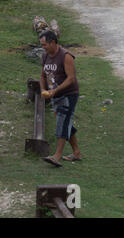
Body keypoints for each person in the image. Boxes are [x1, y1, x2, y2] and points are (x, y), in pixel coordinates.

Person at [39, 30, 82, 167]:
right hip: (55, 95)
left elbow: (71, 79)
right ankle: (76, 152)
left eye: (44, 44)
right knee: (65, 121)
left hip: (68, 94)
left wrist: (55, 90)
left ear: (53, 42)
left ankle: (57, 156)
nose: (43, 47)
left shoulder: (66, 56)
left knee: (62, 122)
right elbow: (42, 76)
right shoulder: (45, 56)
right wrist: (42, 90)